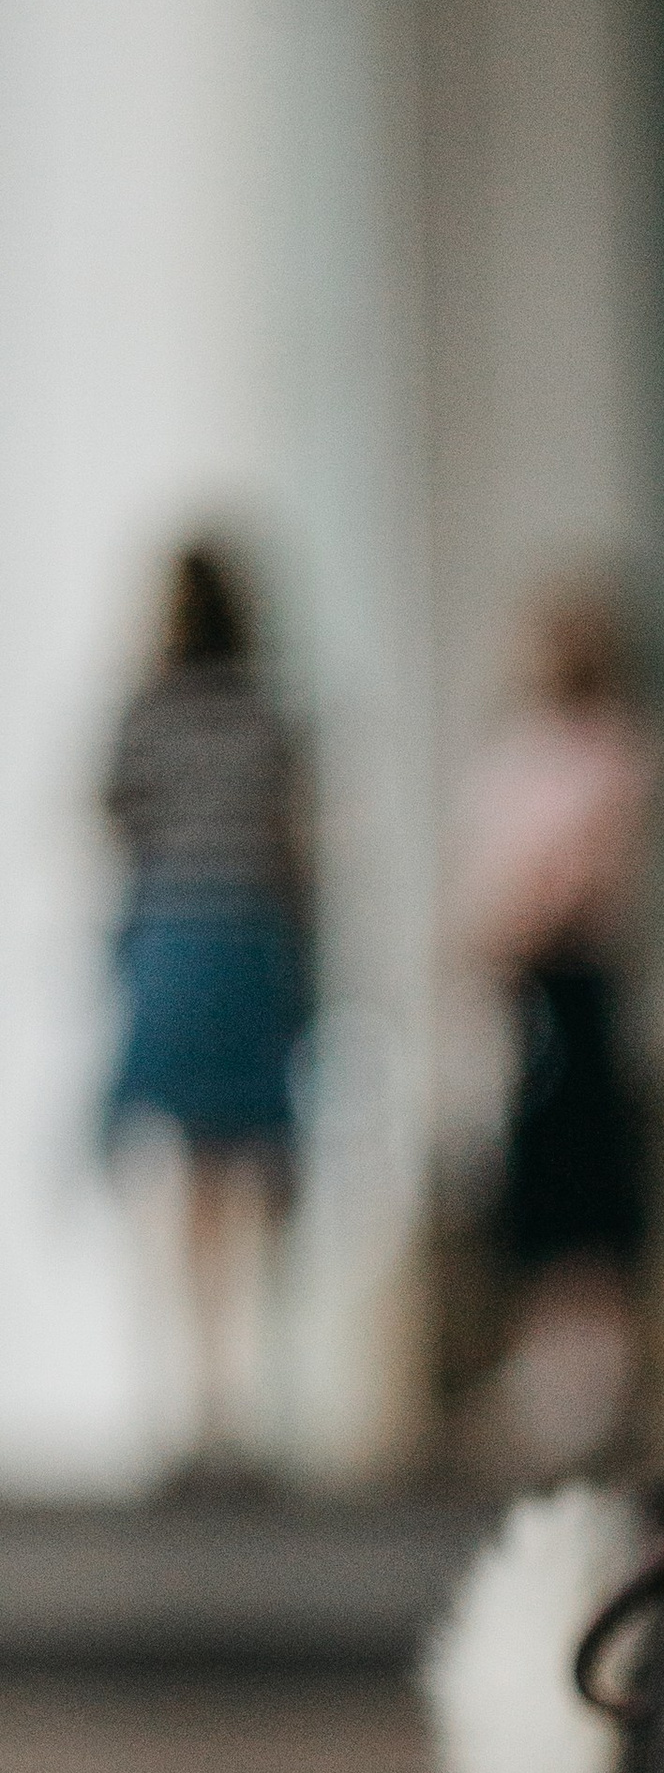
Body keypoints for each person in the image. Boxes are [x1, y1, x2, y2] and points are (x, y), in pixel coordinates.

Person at [101, 541, 312, 1479]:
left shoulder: (145, 716)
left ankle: (190, 1404)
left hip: (172, 945)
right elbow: (295, 850)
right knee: (250, 1178)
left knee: (188, 1181)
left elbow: (115, 824)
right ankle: (238, 1401)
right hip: (250, 945)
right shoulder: (270, 718)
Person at [459, 579, 664, 1475]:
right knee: (538, 1185)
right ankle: (552, 1379)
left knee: (585, 1181)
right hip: (527, 990)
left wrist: (524, 920)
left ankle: (592, 1386)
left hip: (575, 984)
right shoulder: (519, 751)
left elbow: (580, 877)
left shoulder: (611, 751)